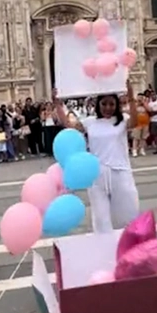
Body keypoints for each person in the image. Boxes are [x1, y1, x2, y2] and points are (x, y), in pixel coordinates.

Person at [56, 86, 139, 233]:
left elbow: (135, 121)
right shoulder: (90, 122)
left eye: (112, 104)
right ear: (98, 105)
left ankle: (128, 244)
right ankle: (105, 248)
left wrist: (131, 97)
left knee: (128, 213)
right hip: (96, 175)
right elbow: (69, 125)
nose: (108, 108)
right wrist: (57, 104)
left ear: (117, 106)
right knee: (101, 218)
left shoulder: (121, 121)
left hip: (120, 172)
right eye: (104, 104)